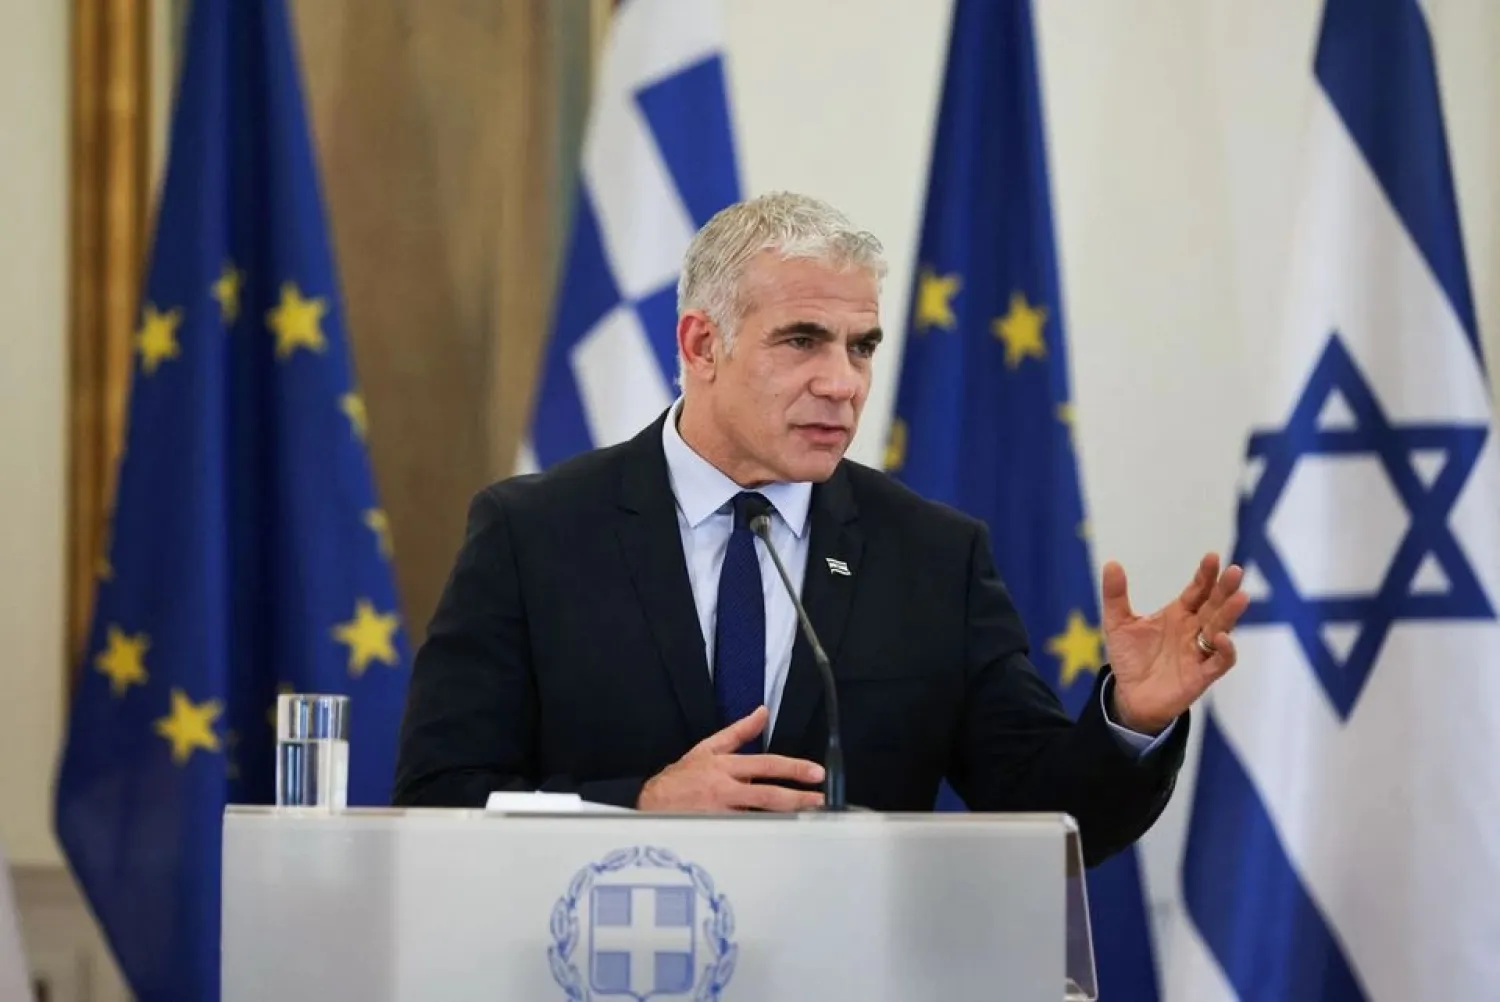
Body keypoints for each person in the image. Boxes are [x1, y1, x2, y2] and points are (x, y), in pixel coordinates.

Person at [391, 192, 1247, 866]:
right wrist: (641, 805)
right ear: (701, 345)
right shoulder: (535, 534)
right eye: (802, 341)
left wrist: (1130, 718)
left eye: (861, 346)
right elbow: (437, 800)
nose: (842, 383)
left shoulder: (932, 558)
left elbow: (1048, 822)